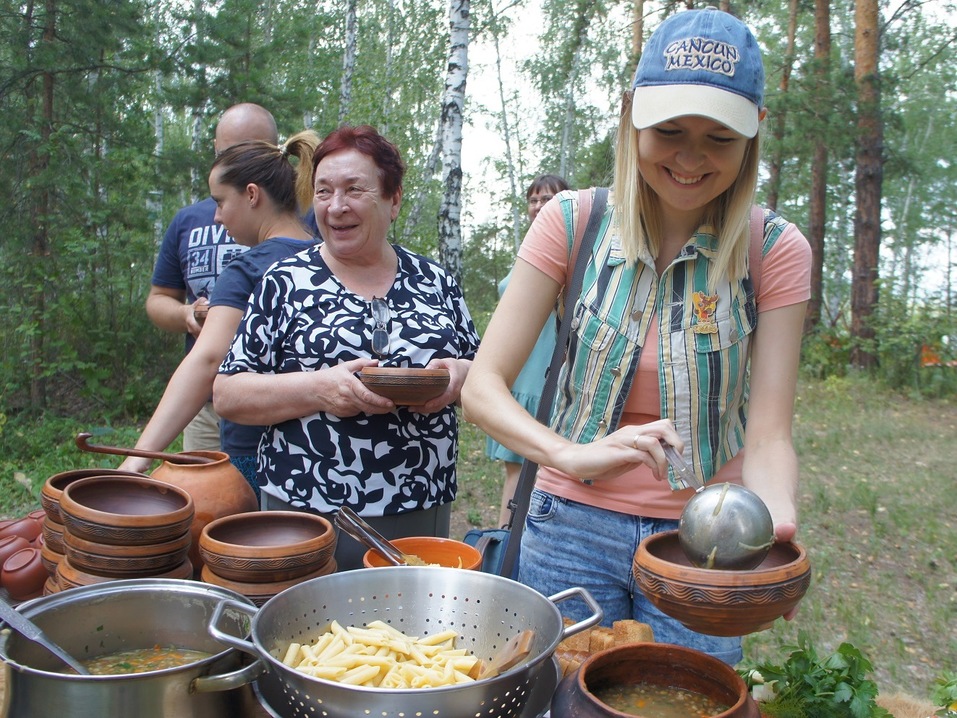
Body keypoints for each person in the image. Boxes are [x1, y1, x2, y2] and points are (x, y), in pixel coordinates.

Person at [461, 8, 811, 666]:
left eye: (718, 138)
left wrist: (772, 527)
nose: (688, 157)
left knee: (689, 702)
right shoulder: (571, 223)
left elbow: (766, 435)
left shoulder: (773, 251)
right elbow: (482, 388)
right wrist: (568, 454)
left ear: (754, 134)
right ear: (629, 116)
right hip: (566, 527)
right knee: (562, 701)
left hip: (702, 547)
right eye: (668, 129)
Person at [213, 124, 480, 570]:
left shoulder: (436, 283)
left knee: (407, 632)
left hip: (419, 506)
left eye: (354, 189)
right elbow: (228, 394)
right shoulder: (285, 282)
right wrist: (320, 389)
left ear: (393, 199)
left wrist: (459, 377)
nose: (336, 207)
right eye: (323, 192)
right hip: (306, 512)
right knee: (312, 634)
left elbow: (485, 373)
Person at [120, 130, 322, 497]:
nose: (216, 217)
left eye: (220, 201)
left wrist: (136, 459)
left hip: (256, 459)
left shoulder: (247, 270)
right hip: (323, 457)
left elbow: (208, 359)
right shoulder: (331, 260)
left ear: (251, 195)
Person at [147, 103, 284, 453]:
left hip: (278, 407)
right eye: (229, 152)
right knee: (208, 498)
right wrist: (186, 314)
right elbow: (159, 298)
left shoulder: (308, 223)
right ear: (215, 149)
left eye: (252, 151)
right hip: (201, 401)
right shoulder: (188, 220)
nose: (219, 216)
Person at [486, 174, 570, 527]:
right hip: (519, 374)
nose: (538, 205)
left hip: (549, 376)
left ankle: (531, 542)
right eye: (533, 199)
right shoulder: (527, 249)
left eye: (547, 198)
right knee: (515, 469)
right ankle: (506, 544)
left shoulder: (573, 250)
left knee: (544, 471)